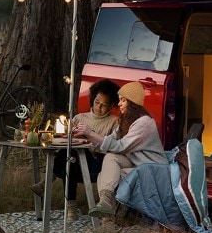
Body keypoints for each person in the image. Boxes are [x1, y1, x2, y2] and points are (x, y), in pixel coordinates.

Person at [72, 80, 166, 218]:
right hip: (137, 164)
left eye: (123, 100)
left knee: (105, 175)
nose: (119, 104)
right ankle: (106, 206)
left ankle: (107, 216)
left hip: (152, 169)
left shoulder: (144, 123)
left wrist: (91, 133)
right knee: (108, 165)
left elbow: (120, 146)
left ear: (132, 103)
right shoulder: (126, 121)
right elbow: (111, 139)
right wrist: (87, 138)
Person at [31, 79, 120, 220]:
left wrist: (89, 136)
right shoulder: (79, 118)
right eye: (97, 102)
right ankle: (71, 207)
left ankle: (47, 182)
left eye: (104, 105)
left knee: (71, 154)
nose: (99, 107)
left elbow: (113, 147)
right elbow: (62, 135)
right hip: (74, 162)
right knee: (69, 157)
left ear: (111, 106)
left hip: (97, 162)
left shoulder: (114, 122)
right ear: (92, 99)